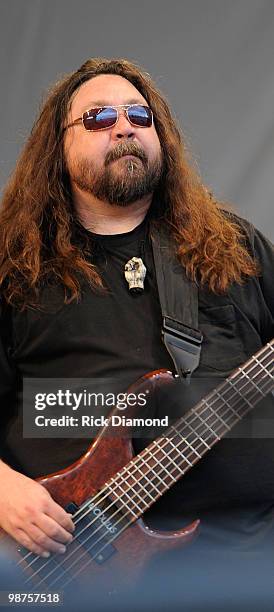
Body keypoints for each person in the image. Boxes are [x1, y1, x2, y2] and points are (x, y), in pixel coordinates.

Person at [0, 58, 273, 607]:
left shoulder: (233, 246)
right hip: (68, 570)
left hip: (247, 563)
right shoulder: (14, 267)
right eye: (99, 117)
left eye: (138, 115)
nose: (124, 126)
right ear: (58, 145)